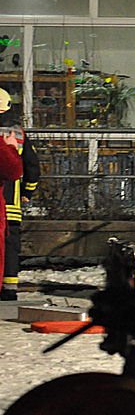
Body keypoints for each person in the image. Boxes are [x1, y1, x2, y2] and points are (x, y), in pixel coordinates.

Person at [0, 89, 39, 301]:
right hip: (11, 203)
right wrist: (27, 191)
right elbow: (32, 166)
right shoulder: (17, 133)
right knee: (10, 245)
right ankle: (9, 288)